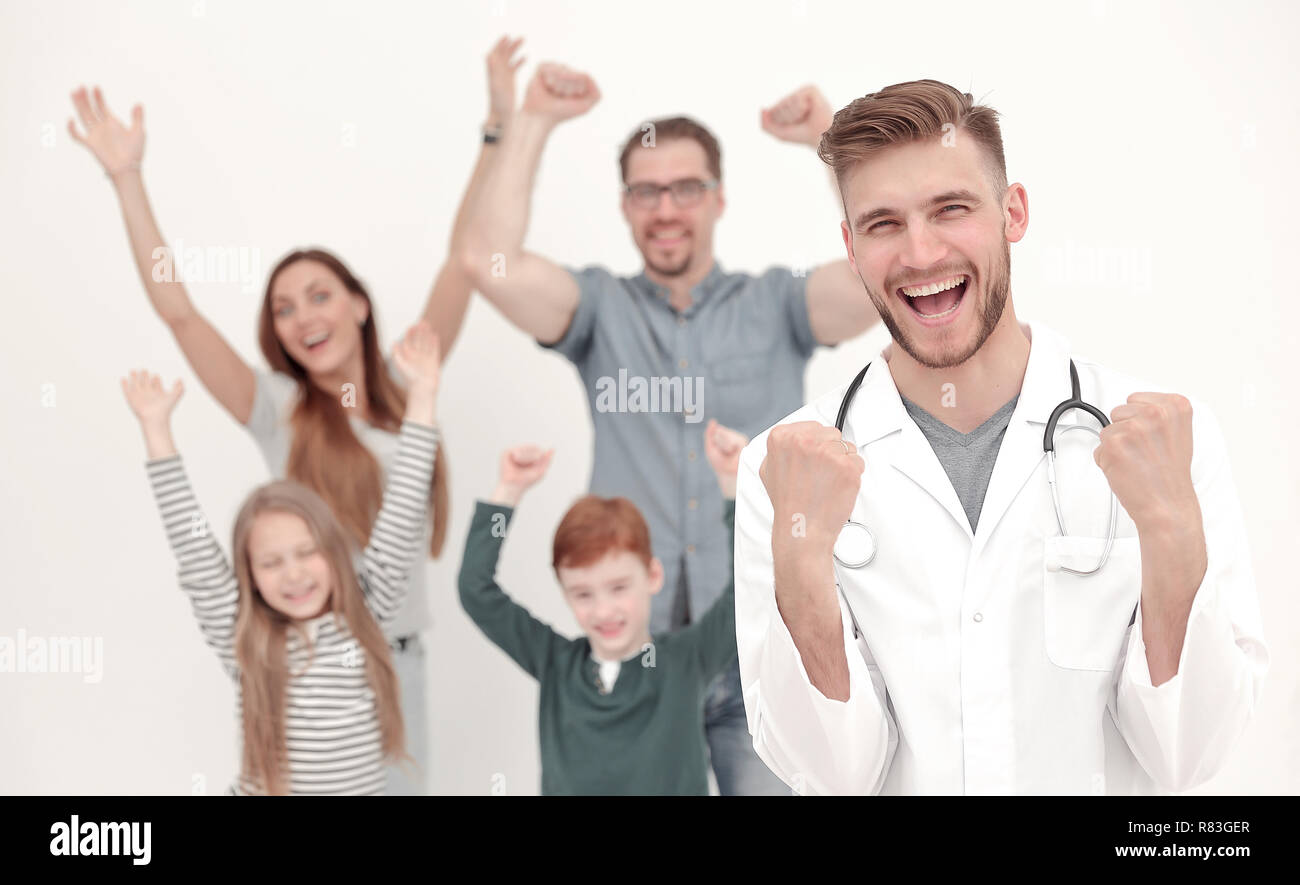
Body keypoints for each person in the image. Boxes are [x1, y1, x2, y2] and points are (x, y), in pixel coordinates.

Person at [733, 79, 1269, 795]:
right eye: (883, 223)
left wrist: (1171, 535)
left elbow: (1188, 756)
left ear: (1012, 212)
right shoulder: (783, 466)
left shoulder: (1173, 438)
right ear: (851, 248)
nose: (921, 253)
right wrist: (801, 572)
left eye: (950, 210)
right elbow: (834, 777)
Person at [67, 36, 526, 793]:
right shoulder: (276, 407)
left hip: (397, 658)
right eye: (281, 308)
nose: (300, 317)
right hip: (302, 662)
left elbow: (463, 259)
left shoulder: (414, 378)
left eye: (317, 294)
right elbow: (179, 313)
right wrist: (127, 179)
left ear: (358, 303)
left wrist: (496, 129)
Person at [460, 63, 880, 795]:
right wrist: (532, 121)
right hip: (634, 665)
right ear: (626, 207)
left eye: (686, 188)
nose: (666, 208)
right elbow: (485, 264)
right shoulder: (597, 310)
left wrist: (832, 139)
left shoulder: (777, 306)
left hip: (758, 648)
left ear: (719, 199)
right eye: (646, 191)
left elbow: (886, 276)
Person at [122, 320, 442, 795]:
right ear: (249, 576)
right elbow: (193, 549)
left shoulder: (368, 616)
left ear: (334, 555)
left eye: (307, 553)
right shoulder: (244, 636)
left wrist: (422, 396)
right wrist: (156, 432)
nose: (293, 573)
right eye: (270, 563)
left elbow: (403, 506)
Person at [458, 420, 747, 794]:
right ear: (563, 591)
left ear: (653, 576)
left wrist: (732, 485)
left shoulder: (686, 661)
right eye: (583, 594)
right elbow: (475, 589)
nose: (604, 610)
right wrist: (509, 491)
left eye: (618, 587)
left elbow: (746, 590)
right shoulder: (555, 662)